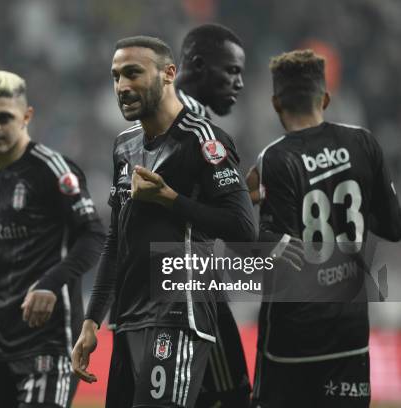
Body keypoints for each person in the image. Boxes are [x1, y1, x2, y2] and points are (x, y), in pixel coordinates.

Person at [72, 36, 256, 408]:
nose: (122, 86)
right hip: (126, 321)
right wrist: (92, 321)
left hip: (178, 313)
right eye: (116, 76)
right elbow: (115, 240)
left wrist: (171, 200)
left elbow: (243, 228)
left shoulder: (203, 139)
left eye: (133, 73)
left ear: (169, 73)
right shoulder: (124, 145)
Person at [247, 49, 401, 408]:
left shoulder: (275, 158)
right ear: (326, 97)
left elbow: (276, 250)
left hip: (292, 337)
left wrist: (244, 201)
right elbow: (394, 228)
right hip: (349, 332)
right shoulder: (364, 143)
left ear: (275, 103)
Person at [0, 70, 105, 408]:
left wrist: (50, 283)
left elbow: (93, 235)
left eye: (4, 117)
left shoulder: (53, 169)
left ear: (26, 116)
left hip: (48, 347)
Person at [175, 24, 251, 408]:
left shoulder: (147, 123)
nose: (239, 83)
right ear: (200, 65)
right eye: (232, 71)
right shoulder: (201, 131)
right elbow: (242, 233)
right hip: (193, 295)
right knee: (231, 398)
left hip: (146, 299)